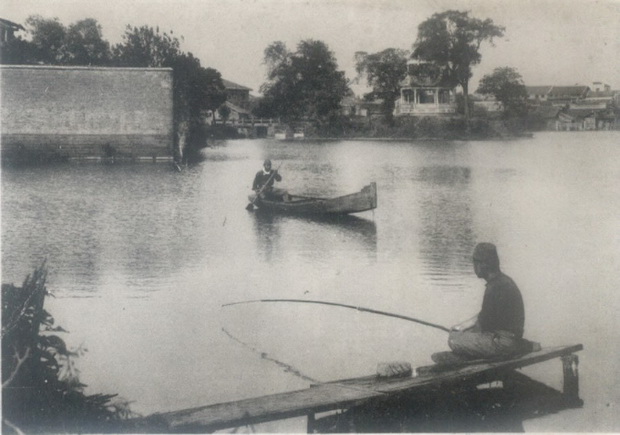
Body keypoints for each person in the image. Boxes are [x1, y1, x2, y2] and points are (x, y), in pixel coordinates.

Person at [432, 242, 538, 365]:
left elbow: (484, 326)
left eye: (475, 263)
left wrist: (460, 334)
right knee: (462, 335)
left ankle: (517, 348)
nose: (474, 267)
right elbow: (485, 315)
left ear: (483, 265)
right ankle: (521, 345)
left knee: (453, 341)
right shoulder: (504, 281)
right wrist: (462, 326)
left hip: (502, 344)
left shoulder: (493, 288)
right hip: (510, 338)